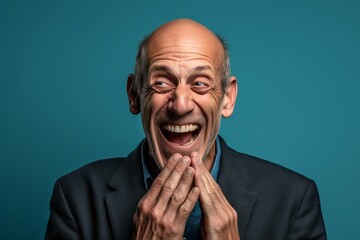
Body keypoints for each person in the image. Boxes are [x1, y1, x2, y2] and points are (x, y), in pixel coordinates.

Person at [45, 19, 326, 240]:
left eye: (200, 83)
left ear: (227, 97)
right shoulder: (76, 198)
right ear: (134, 95)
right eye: (162, 83)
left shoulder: (293, 200)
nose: (180, 105)